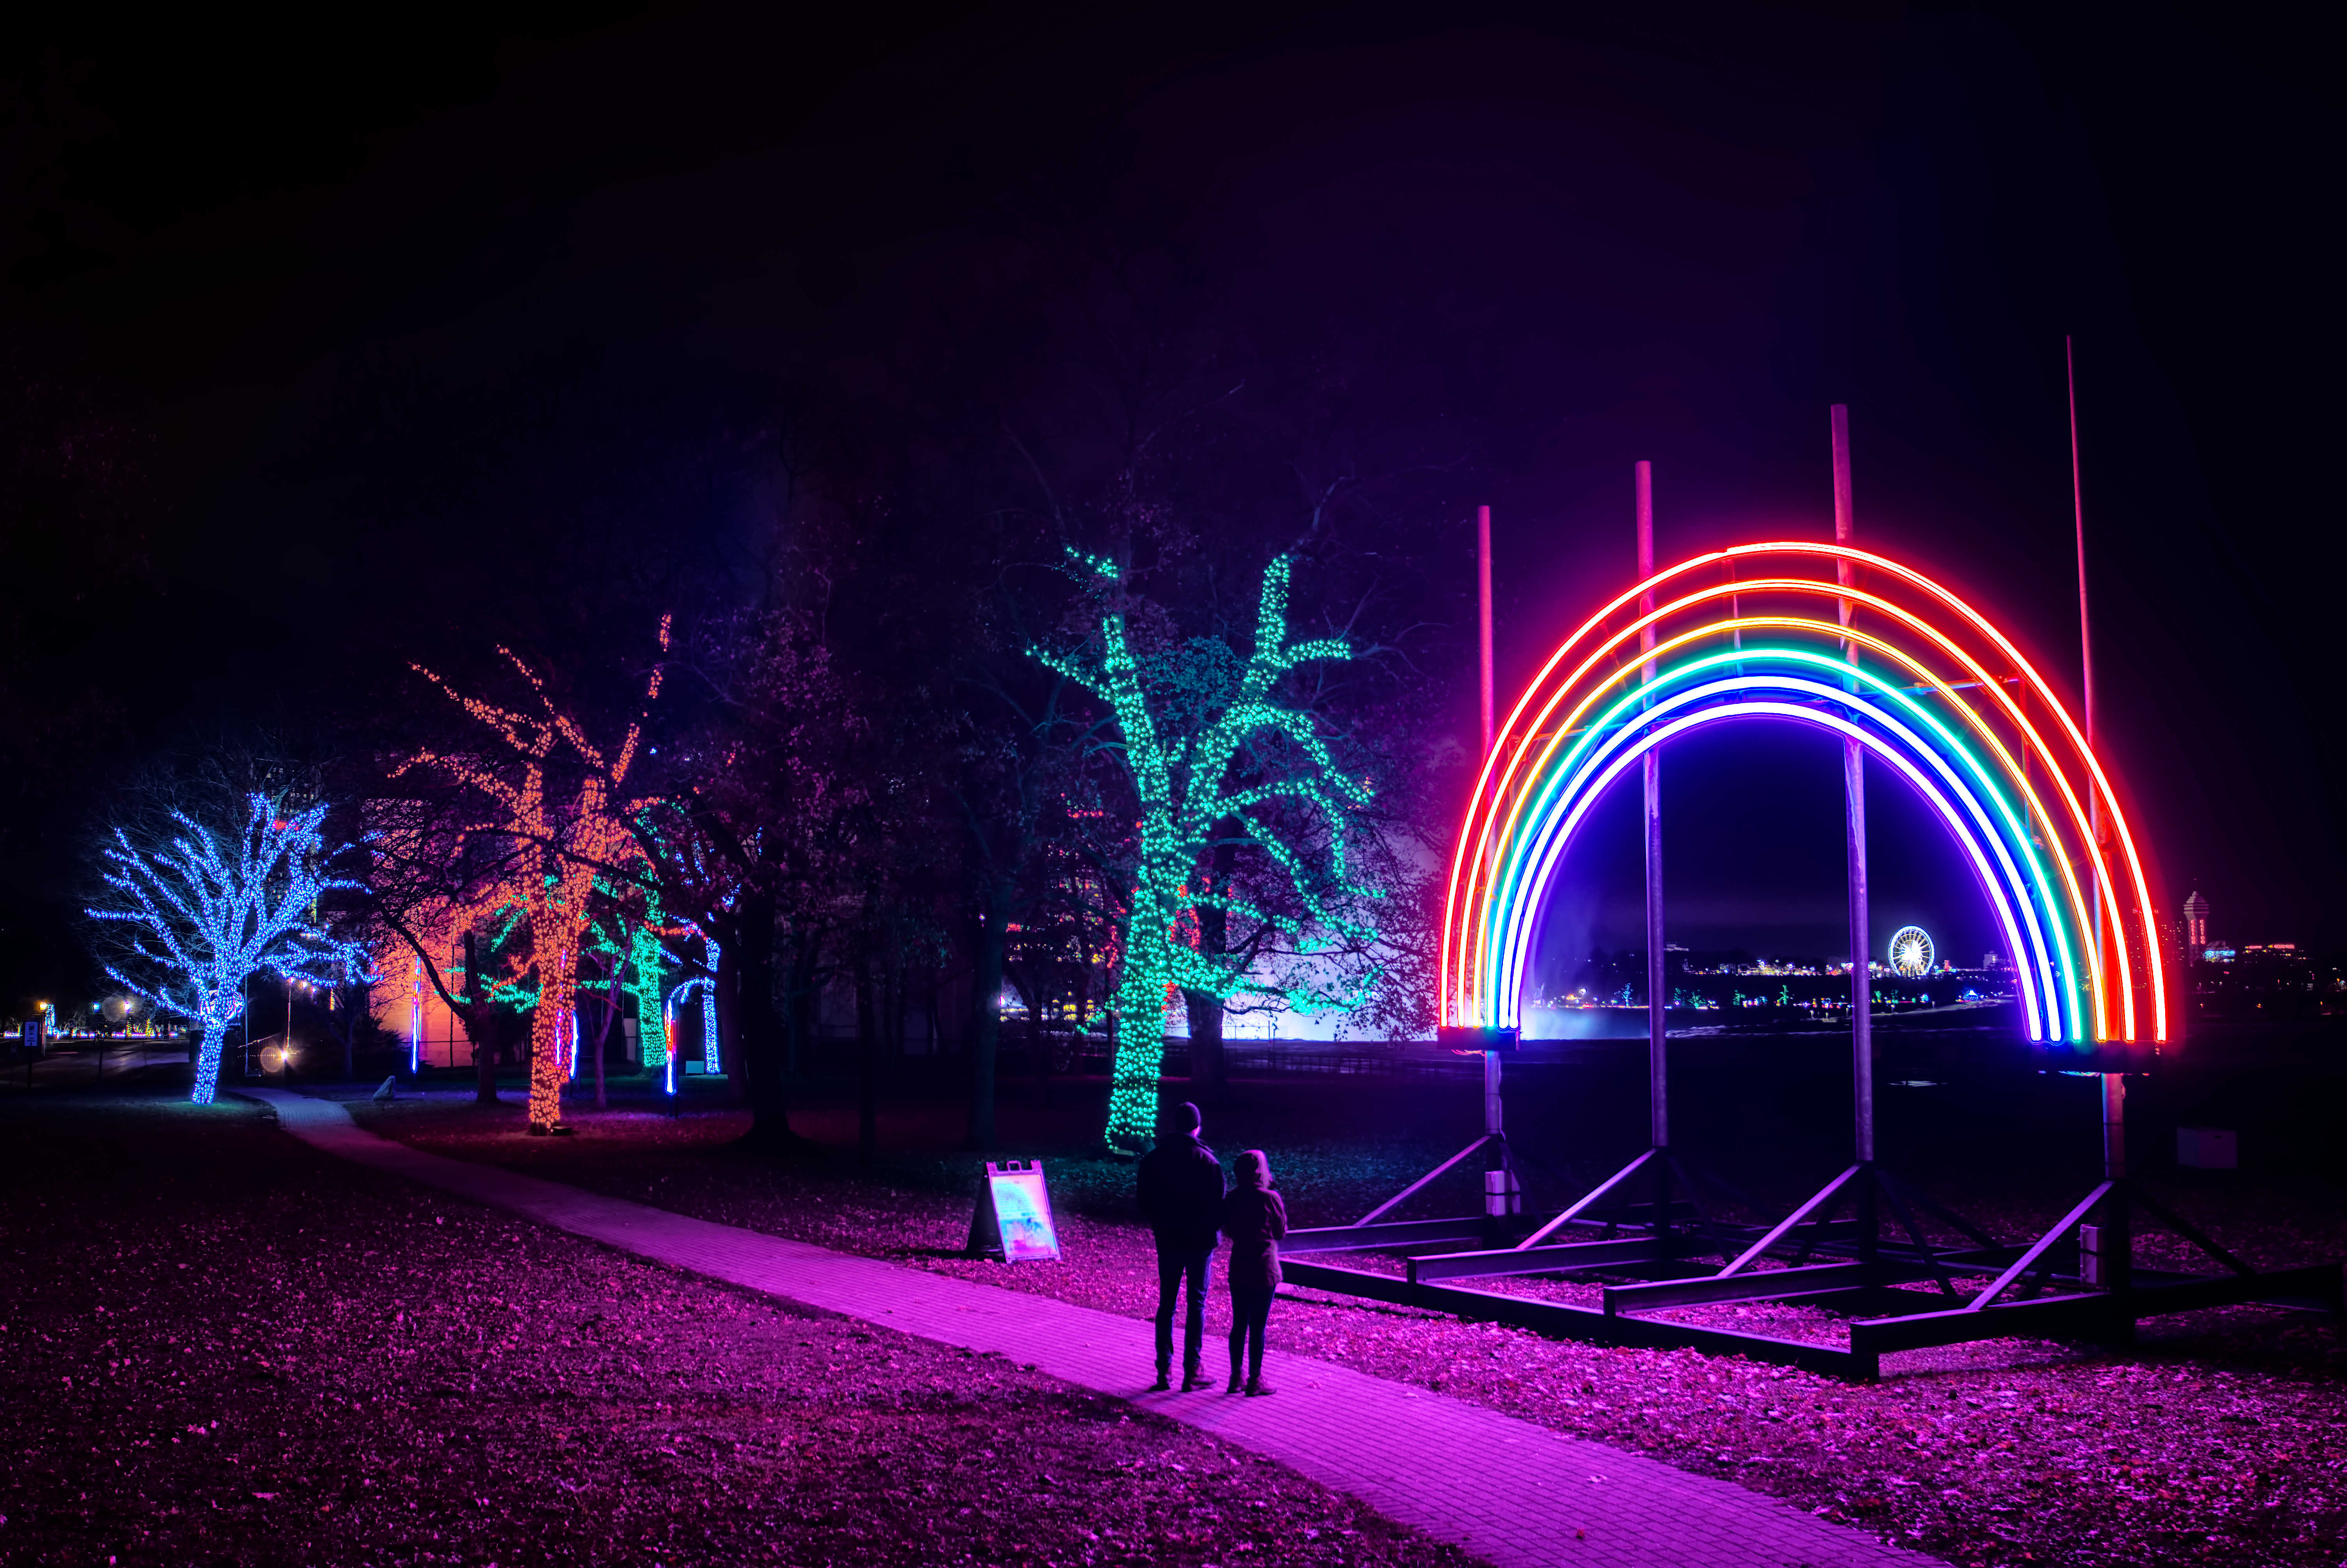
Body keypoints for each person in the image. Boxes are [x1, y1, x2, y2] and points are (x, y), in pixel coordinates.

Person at [1135, 1101, 1226, 1391]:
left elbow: (1143, 1202)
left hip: (1168, 1239)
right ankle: (1193, 1368)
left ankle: (1164, 1369)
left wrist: (1162, 1221)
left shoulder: (1153, 1160)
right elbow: (1218, 1207)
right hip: (1199, 1242)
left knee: (1167, 1304)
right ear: (1197, 1127)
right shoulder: (1208, 1162)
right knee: (1197, 1302)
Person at [1220, 1147, 1288, 1396]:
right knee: (1258, 1325)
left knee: (1239, 1323)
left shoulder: (1232, 1198)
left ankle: (1235, 1376)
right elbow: (1281, 1232)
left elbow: (1226, 1228)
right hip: (1265, 1268)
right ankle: (1255, 1379)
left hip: (1239, 1264)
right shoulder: (1271, 1198)